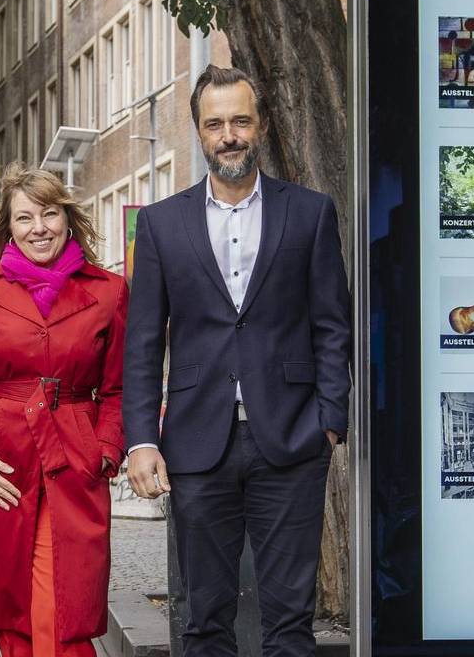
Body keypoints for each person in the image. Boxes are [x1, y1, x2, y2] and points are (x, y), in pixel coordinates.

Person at [123, 66, 352, 657]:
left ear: (262, 126)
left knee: (289, 624)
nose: (229, 135)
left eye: (240, 121)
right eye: (215, 123)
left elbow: (332, 324)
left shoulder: (309, 212)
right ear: (199, 134)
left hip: (293, 439)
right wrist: (142, 438)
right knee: (204, 621)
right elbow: (144, 341)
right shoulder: (160, 224)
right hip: (198, 444)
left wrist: (330, 416)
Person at [0, 165, 126, 657]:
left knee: (65, 611)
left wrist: (105, 450)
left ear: (67, 219)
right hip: (0, 466)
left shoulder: (107, 291)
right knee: (14, 615)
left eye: (49, 214)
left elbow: (118, 389)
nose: (38, 228)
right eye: (25, 218)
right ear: (8, 226)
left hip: (75, 460)